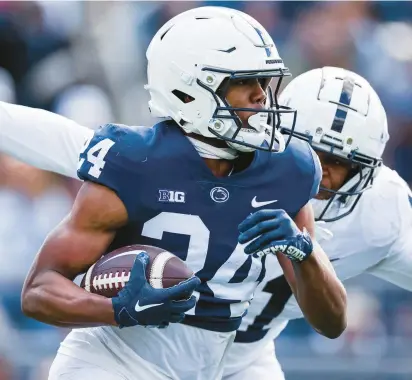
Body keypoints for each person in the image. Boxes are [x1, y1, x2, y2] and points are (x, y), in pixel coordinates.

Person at [4, 7, 346, 380]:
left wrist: (305, 253)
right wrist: (119, 309)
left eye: (264, 82)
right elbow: (38, 292)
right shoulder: (135, 163)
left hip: (222, 364)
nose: (261, 97)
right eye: (244, 83)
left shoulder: (288, 168)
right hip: (114, 363)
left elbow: (331, 322)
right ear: (188, 93)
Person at [223, 66, 412, 380]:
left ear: (365, 170)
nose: (319, 171)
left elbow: (333, 324)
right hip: (160, 340)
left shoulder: (381, 210)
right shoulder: (228, 164)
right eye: (309, 151)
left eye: (339, 162)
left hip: (246, 358)